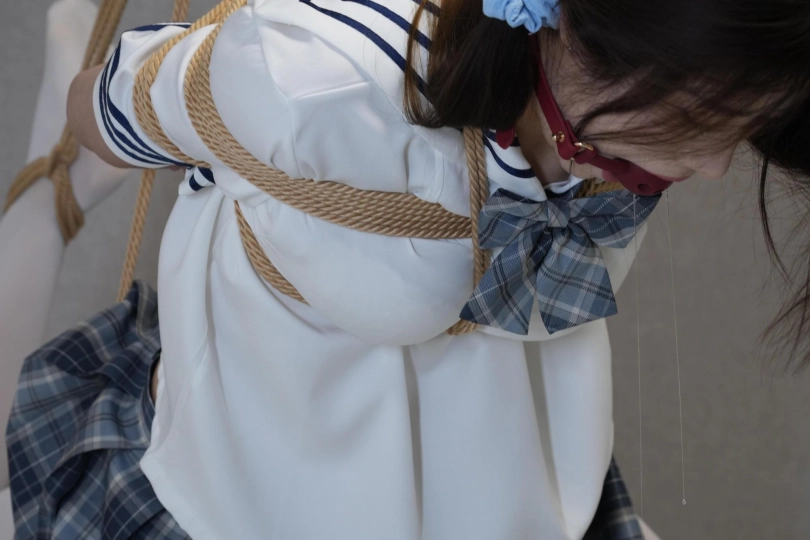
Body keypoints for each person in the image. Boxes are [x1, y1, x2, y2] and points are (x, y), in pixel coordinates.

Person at [5, 0, 809, 539]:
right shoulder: (316, 79)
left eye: (742, 127)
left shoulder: (625, 134)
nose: (715, 167)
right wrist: (215, 143)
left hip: (519, 490)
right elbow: (110, 106)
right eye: (701, 119)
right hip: (263, 491)